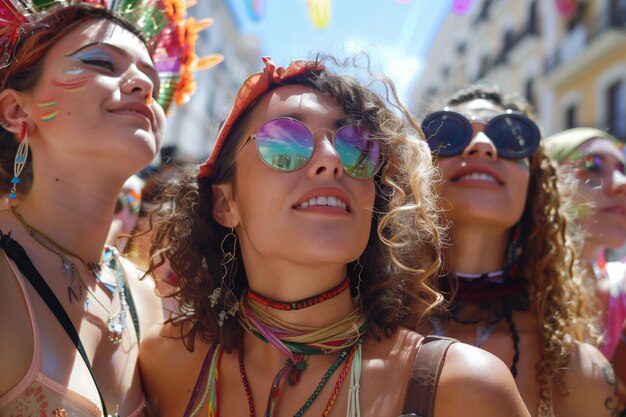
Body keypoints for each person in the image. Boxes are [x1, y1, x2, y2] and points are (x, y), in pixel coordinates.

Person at [139, 57, 530, 417]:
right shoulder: (162, 361)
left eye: (356, 146)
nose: (331, 159)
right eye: (285, 142)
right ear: (225, 204)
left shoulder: (462, 387)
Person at [0, 1, 219, 416]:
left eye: (151, 77)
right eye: (101, 62)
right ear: (16, 110)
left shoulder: (147, 295)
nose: (143, 84)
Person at [419, 85, 618, 416]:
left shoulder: (577, 371)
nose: (481, 145)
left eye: (510, 138)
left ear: (536, 186)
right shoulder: (356, 333)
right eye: (450, 133)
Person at [545, 128, 626, 386]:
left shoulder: (620, 289)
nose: (621, 183)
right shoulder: (500, 297)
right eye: (592, 167)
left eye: (622, 170)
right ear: (548, 186)